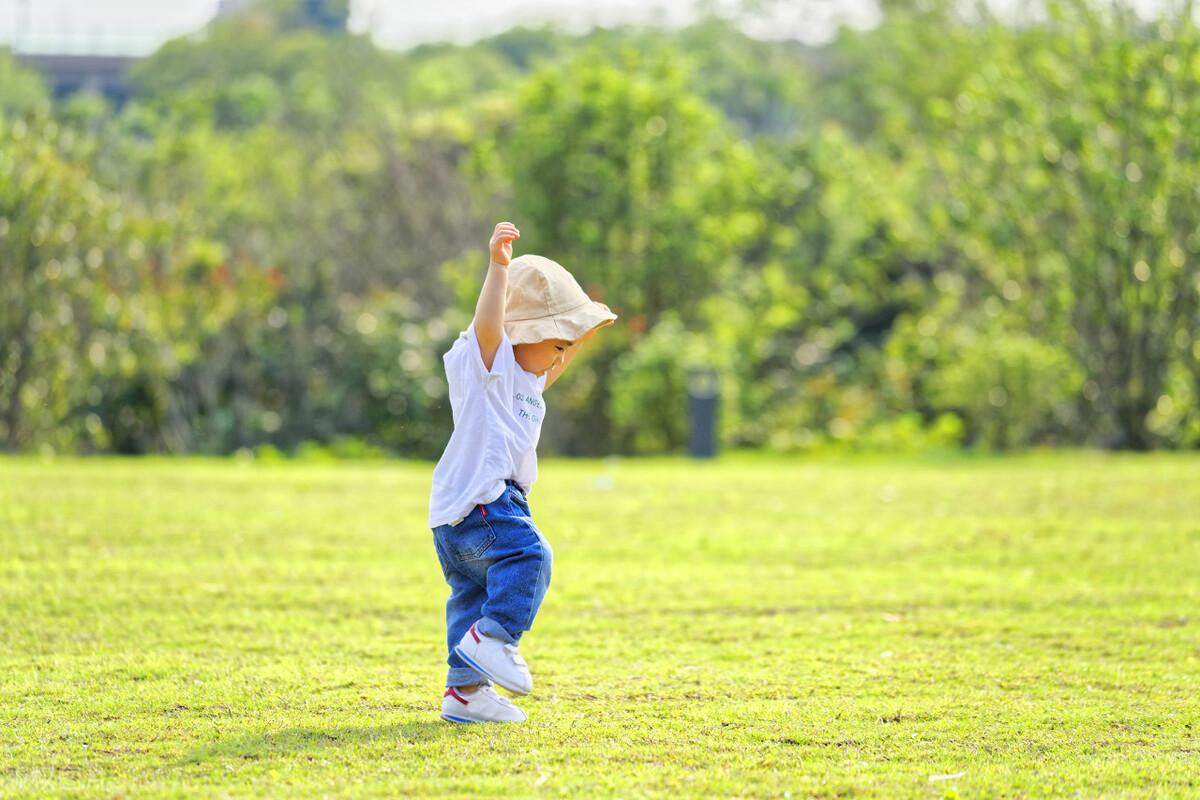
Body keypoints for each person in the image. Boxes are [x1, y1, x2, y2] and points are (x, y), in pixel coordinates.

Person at [428, 221, 617, 723]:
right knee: (533, 556)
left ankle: (464, 694)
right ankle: (495, 638)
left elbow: (556, 361)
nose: (559, 357)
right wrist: (497, 268)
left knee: (473, 596)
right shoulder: (491, 365)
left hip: (459, 515)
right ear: (522, 334)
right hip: (484, 506)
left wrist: (580, 330)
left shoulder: (528, 383)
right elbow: (492, 323)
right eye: (554, 344)